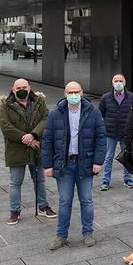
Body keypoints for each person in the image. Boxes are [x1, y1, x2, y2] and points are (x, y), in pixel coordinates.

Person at [42, 81, 107, 250]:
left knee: (86, 200)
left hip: (85, 163)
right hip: (64, 165)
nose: (73, 95)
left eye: (76, 92)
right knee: (64, 201)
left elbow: (101, 138)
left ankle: (88, 233)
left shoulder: (93, 112)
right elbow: (47, 140)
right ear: (65, 94)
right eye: (70, 92)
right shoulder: (55, 114)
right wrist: (47, 165)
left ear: (82, 93)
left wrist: (98, 161)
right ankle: (61, 235)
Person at [0, 79, 57, 224]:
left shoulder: (39, 102)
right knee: (15, 182)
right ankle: (14, 211)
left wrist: (33, 135)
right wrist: (27, 138)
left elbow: (46, 119)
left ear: (30, 88)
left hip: (36, 148)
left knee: (39, 180)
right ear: (13, 90)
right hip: (16, 149)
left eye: (24, 87)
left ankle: (43, 206)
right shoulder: (6, 105)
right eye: (18, 88)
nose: (22, 90)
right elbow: (6, 127)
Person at [98, 74, 133, 190]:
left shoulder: (132, 97)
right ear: (112, 83)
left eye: (120, 81)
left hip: (126, 133)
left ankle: (128, 179)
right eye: (116, 81)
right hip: (110, 133)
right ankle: (105, 181)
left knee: (127, 156)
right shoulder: (105, 98)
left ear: (125, 83)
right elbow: (101, 114)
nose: (118, 83)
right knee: (108, 157)